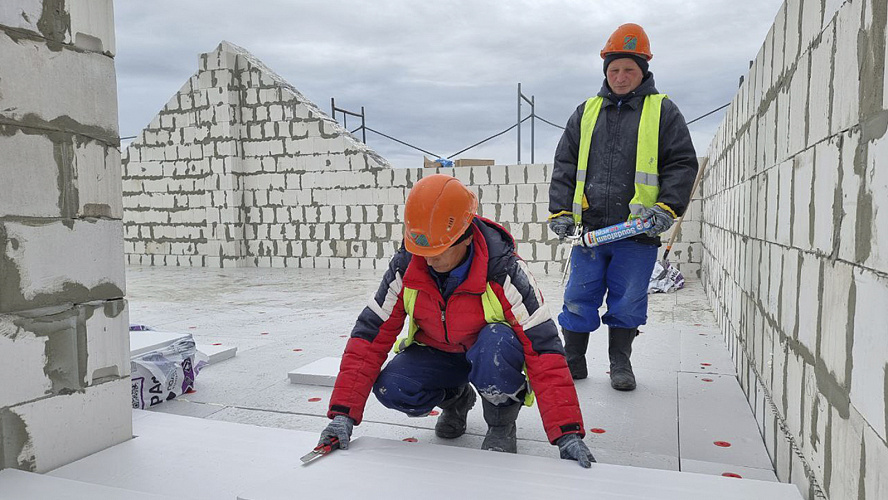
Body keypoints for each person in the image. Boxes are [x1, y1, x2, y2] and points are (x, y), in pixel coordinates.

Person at [319, 174, 595, 467]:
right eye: (421, 251)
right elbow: (370, 334)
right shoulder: (407, 268)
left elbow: (543, 348)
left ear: (464, 237)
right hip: (441, 353)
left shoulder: (505, 271)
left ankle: (501, 424)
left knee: (496, 343)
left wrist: (567, 432)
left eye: (437, 251)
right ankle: (456, 400)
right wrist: (342, 415)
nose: (427, 260)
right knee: (393, 386)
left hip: (491, 354)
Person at [548, 23, 699, 390]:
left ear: (643, 70)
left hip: (638, 232)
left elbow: (681, 163)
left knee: (628, 299)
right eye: (614, 69)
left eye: (628, 69)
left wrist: (667, 207)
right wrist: (561, 211)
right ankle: (574, 360)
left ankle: (620, 363)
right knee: (579, 296)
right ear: (605, 71)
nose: (620, 76)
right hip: (592, 232)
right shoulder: (586, 112)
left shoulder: (663, 111)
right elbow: (566, 165)